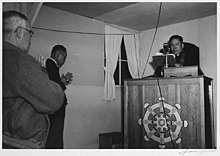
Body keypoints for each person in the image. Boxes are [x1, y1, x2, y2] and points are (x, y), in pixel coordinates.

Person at [3, 11, 65, 149]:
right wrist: (41, 72)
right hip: (21, 143)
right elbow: (54, 98)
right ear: (19, 32)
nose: (30, 38)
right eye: (30, 33)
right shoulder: (20, 60)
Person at [45, 45, 73, 149]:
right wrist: (64, 82)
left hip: (55, 109)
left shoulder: (52, 66)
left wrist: (62, 81)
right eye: (64, 56)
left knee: (55, 138)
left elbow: (53, 83)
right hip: (56, 110)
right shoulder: (51, 64)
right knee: (55, 140)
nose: (65, 59)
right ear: (57, 54)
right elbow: (54, 87)